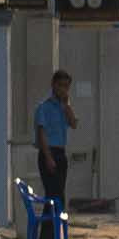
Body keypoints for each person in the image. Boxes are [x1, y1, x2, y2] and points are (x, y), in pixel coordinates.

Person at [34, 70, 77, 209]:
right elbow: (42, 134)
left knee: (58, 196)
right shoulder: (44, 107)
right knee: (54, 195)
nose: (63, 89)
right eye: (60, 85)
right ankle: (50, 230)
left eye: (66, 86)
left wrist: (66, 105)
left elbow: (73, 123)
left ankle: (55, 229)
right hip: (48, 152)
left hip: (60, 153)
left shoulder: (63, 108)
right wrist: (48, 157)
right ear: (53, 85)